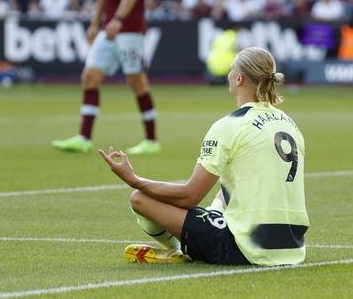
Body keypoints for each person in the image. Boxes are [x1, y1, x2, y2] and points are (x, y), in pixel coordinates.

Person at [100, 47, 309, 265]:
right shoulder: (289, 123)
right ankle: (205, 226)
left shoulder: (230, 124)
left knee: (140, 198)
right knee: (226, 188)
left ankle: (177, 250)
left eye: (231, 69)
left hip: (246, 249)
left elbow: (189, 196)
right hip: (293, 248)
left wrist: (133, 179)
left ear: (238, 79)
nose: (228, 74)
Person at [52, 0, 160, 155]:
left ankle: (152, 140)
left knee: (136, 82)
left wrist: (119, 19)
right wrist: (95, 22)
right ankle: (84, 137)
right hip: (109, 27)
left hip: (129, 29)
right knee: (90, 76)